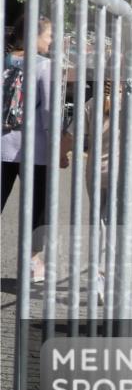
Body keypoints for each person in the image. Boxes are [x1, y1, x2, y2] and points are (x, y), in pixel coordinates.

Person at [1, 14, 56, 283]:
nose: (52, 40)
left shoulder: (4, 62)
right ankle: (33, 262)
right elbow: (48, 111)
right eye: (48, 35)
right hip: (36, 151)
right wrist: (59, 147)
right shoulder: (44, 66)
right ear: (34, 36)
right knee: (40, 208)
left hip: (2, 147)